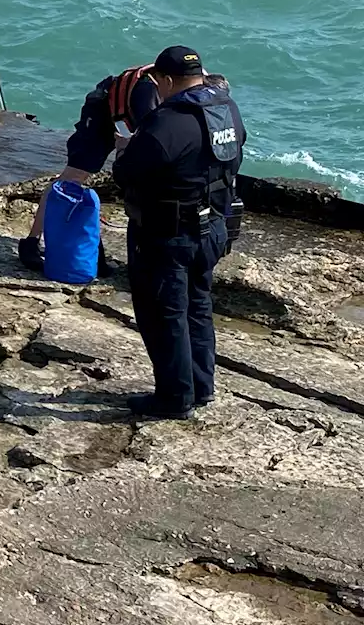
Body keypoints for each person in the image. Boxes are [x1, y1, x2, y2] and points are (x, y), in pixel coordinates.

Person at [112, 46, 245, 420]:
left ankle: (173, 397)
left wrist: (128, 148)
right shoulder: (226, 110)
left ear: (167, 80)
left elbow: (127, 173)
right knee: (198, 306)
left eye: (157, 82)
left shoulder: (167, 120)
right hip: (212, 227)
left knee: (164, 315)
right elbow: (232, 155)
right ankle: (202, 387)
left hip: (167, 233)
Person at [18, 62, 161, 271]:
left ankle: (93, 249)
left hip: (128, 115)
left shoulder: (186, 92)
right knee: (73, 176)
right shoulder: (148, 95)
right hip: (103, 109)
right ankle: (31, 241)